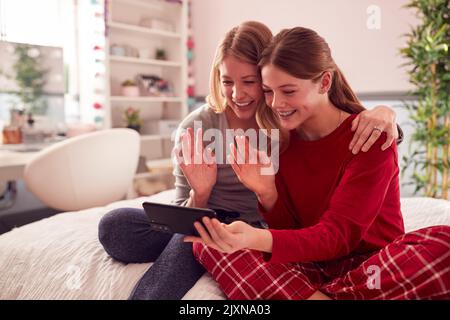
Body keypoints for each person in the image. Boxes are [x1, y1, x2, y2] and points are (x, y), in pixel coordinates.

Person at [98, 21, 400, 300]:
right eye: (227, 81)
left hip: (256, 227)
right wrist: (200, 194)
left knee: (202, 241)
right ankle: (212, 244)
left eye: (250, 82)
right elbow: (181, 218)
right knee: (118, 226)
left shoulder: (285, 126)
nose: (237, 93)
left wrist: (386, 116)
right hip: (206, 217)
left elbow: (341, 132)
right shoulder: (199, 127)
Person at [186, 26, 450, 300]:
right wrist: (267, 194)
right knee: (209, 244)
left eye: (288, 91)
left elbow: (339, 236)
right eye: (268, 91)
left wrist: (255, 237)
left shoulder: (370, 136)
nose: (276, 103)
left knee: (444, 244)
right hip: (312, 266)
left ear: (324, 83)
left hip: (373, 265)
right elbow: (292, 233)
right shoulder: (281, 140)